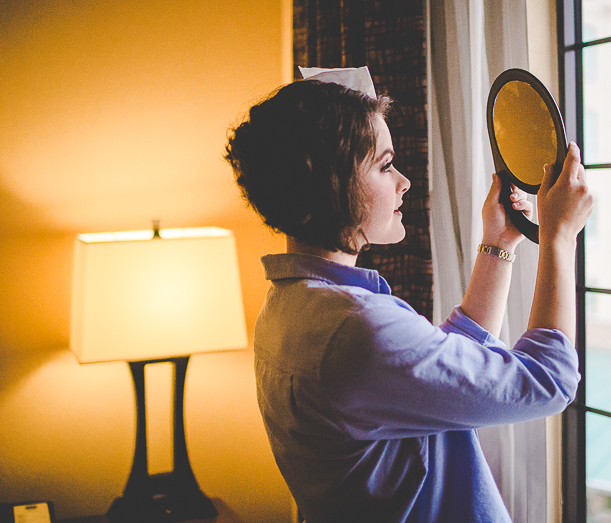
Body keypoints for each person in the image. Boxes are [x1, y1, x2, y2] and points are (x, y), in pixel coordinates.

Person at [224, 68, 592, 523]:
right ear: (330, 183)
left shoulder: (287, 311)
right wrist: (559, 238)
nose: (404, 181)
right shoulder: (355, 331)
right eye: (384, 165)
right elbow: (547, 382)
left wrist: (497, 245)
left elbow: (440, 374)